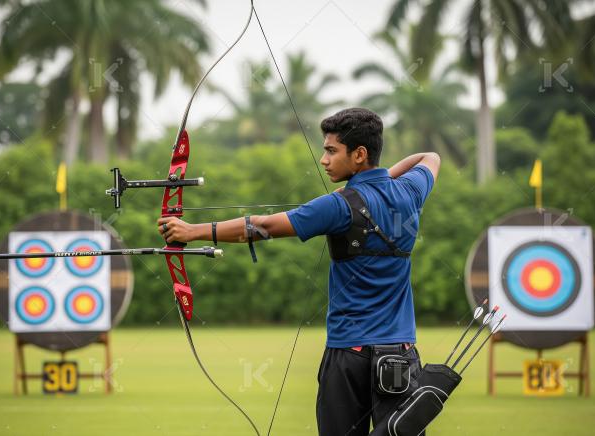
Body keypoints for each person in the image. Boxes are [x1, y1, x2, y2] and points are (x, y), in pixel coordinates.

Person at [157, 107, 440, 435]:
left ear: (360, 154)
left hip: (349, 355)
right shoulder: (410, 192)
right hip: (401, 355)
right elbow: (430, 157)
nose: (324, 159)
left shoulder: (338, 205)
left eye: (332, 151)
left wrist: (191, 231)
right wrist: (381, 180)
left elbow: (263, 227)